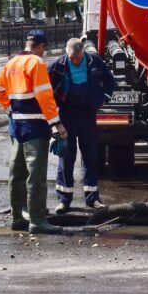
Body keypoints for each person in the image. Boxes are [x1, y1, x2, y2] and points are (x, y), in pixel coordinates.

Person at [0, 30, 68, 235]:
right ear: (41, 46)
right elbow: (45, 96)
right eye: (44, 49)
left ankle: (17, 218)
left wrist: (11, 110)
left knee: (17, 173)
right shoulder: (36, 63)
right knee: (36, 176)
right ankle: (37, 221)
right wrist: (57, 123)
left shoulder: (12, 62)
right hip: (35, 126)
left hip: (17, 125)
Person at [49, 38, 116, 213]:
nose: (75, 61)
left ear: (83, 54)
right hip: (67, 115)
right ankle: (64, 200)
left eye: (78, 58)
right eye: (72, 58)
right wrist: (53, 119)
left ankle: (92, 199)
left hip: (87, 114)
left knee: (90, 157)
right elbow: (46, 90)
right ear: (66, 53)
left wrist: (104, 99)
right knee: (66, 157)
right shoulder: (57, 65)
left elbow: (110, 81)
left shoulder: (95, 61)